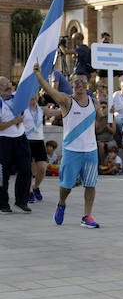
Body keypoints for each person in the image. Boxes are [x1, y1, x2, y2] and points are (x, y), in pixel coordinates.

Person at [33, 66, 101, 227]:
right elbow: (49, 90)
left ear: (88, 84)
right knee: (66, 186)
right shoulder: (66, 100)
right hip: (72, 151)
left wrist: (105, 115)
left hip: (91, 151)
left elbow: (98, 123)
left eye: (83, 81)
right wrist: (38, 75)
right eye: (76, 81)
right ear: (71, 83)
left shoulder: (94, 102)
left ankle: (87, 216)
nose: (80, 84)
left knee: (90, 184)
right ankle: (61, 204)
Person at [0, 76, 33, 213]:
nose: (9, 86)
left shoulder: (16, 98)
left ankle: (21, 201)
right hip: (4, 141)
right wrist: (15, 121)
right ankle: (3, 203)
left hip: (20, 138)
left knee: (26, 170)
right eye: (4, 84)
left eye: (9, 83)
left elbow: (30, 89)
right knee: (4, 173)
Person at [24, 95, 60, 203]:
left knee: (42, 168)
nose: (33, 97)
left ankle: (36, 187)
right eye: (30, 95)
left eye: (35, 95)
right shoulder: (23, 109)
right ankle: (29, 192)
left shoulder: (41, 109)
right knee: (29, 169)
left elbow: (57, 112)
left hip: (39, 141)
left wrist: (67, 103)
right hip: (27, 140)